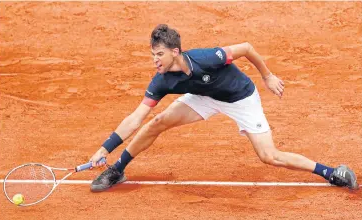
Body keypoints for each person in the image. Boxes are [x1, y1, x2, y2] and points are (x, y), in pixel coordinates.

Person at [89, 24, 358, 192]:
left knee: (269, 156)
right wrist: (105, 148)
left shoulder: (207, 58)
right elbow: (136, 117)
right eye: (152, 55)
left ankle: (332, 173)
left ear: (175, 51)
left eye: (159, 54)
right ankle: (118, 169)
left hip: (241, 98)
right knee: (157, 122)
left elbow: (247, 48)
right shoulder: (161, 81)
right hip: (204, 96)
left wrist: (267, 76)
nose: (155, 60)